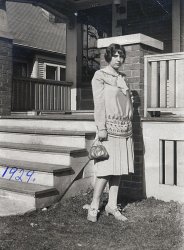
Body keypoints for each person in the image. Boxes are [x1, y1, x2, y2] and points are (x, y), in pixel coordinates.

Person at [87, 43, 134, 222]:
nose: (119, 59)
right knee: (106, 169)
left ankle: (112, 205)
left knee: (119, 168)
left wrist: (125, 89)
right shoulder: (99, 76)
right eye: (115, 56)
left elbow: (128, 105)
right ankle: (94, 204)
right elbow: (98, 103)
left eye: (121, 56)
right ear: (108, 57)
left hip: (125, 128)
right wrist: (101, 127)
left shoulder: (122, 78)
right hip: (108, 128)